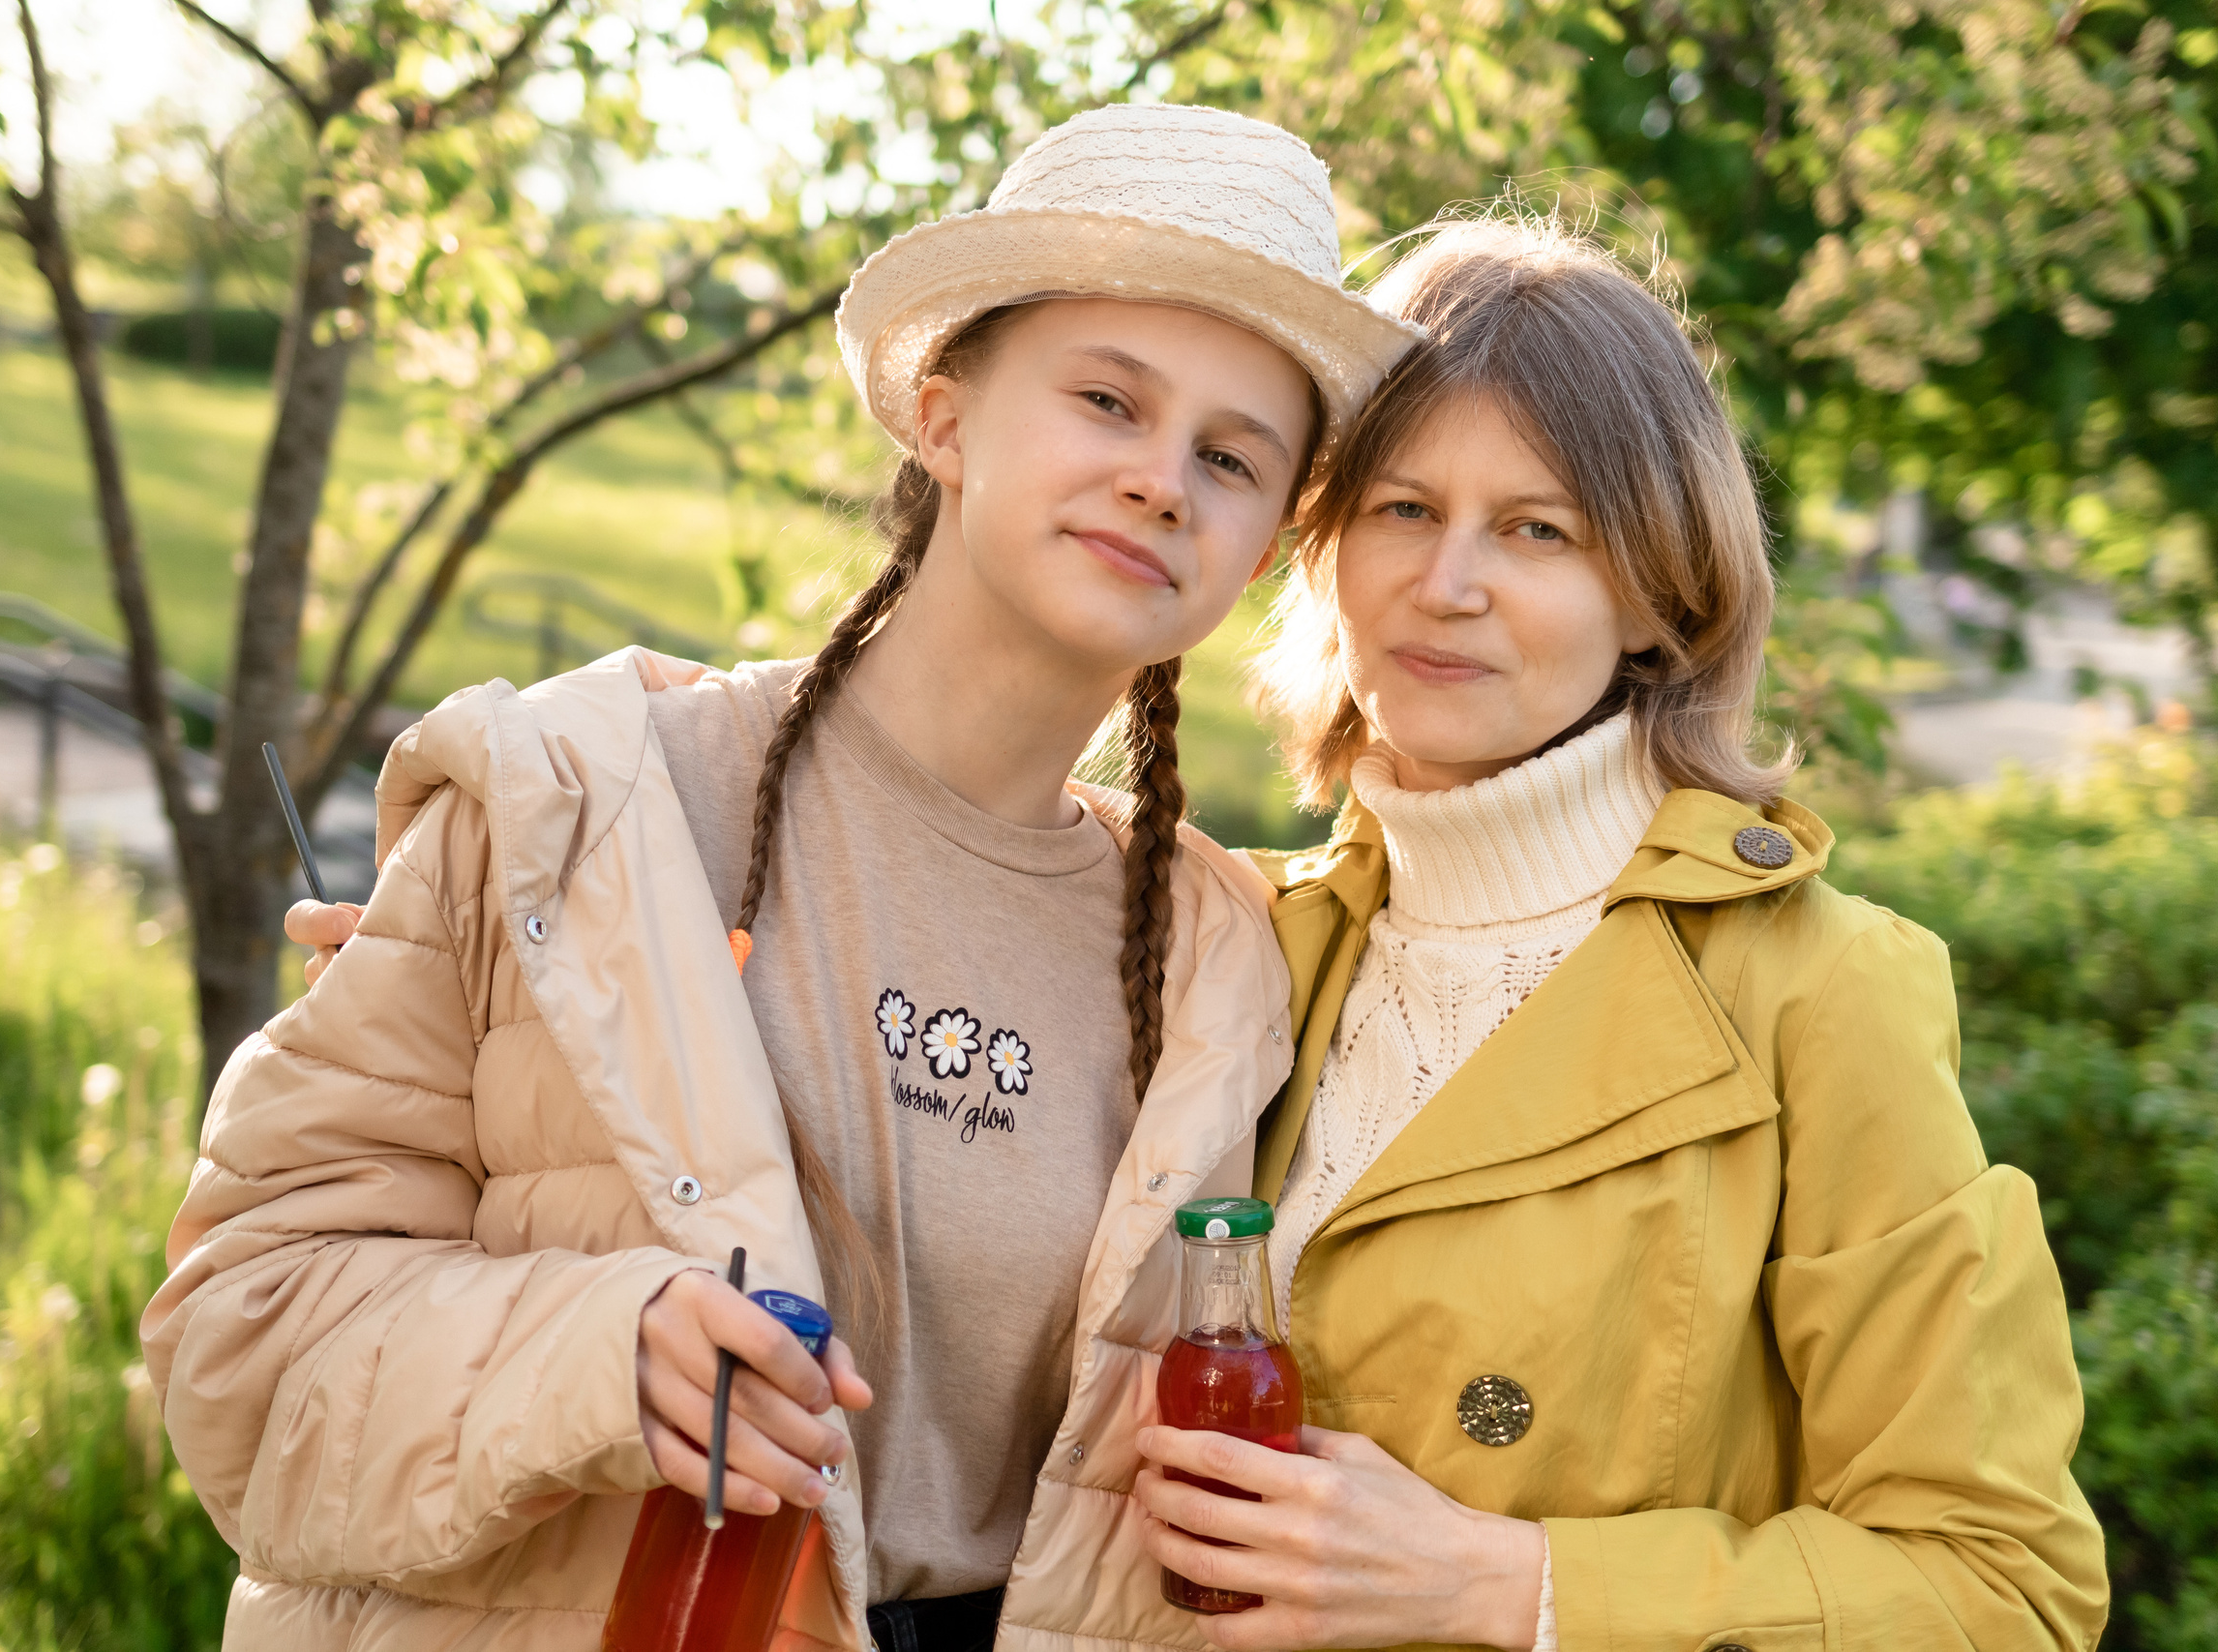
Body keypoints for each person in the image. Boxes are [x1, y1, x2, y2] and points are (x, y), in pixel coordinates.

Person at [142, 104, 1419, 1652]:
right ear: (943, 419)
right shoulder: (585, 807)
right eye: (1106, 400)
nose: (1163, 479)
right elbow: (238, 1347)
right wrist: (603, 1353)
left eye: (1229, 455)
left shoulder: (1224, 966)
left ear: (1265, 545)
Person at [1128, 216, 2109, 1650]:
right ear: (1321, 547)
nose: (1447, 582)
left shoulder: (1816, 996)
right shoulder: (1242, 941)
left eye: (1539, 529)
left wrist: (1509, 1585)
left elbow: (2003, 1586)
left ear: (1656, 593)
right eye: (1401, 508)